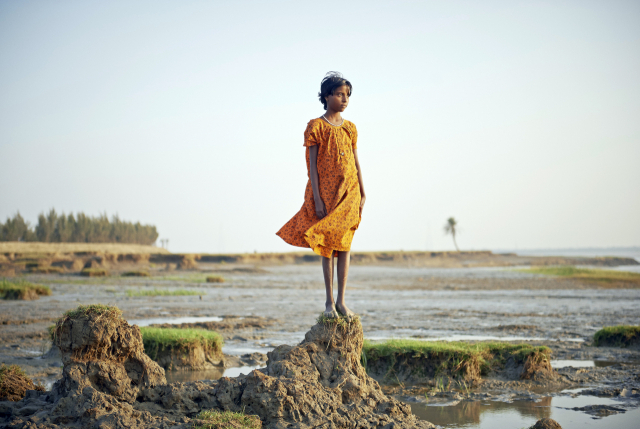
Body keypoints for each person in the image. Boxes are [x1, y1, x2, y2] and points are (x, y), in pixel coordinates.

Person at [276, 71, 366, 319]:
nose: (344, 99)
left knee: (345, 245)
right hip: (326, 194)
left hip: (350, 193)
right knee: (326, 245)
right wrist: (316, 198)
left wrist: (363, 191)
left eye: (347, 95)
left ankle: (341, 302)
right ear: (326, 96)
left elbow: (356, 161)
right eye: (339, 94)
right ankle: (328, 303)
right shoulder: (315, 126)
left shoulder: (351, 128)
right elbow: (312, 166)